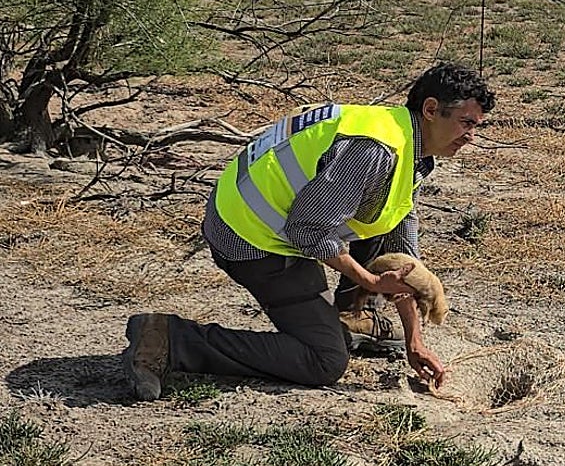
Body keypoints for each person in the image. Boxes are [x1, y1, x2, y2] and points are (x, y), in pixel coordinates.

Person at [120, 63, 496, 401]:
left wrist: (414, 339)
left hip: (278, 219)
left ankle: (349, 318)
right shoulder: (376, 150)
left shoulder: (406, 141)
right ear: (431, 110)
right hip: (250, 236)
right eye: (466, 123)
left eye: (476, 126)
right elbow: (306, 229)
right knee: (324, 361)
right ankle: (170, 338)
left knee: (380, 230)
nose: (471, 137)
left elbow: (399, 252)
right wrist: (366, 278)